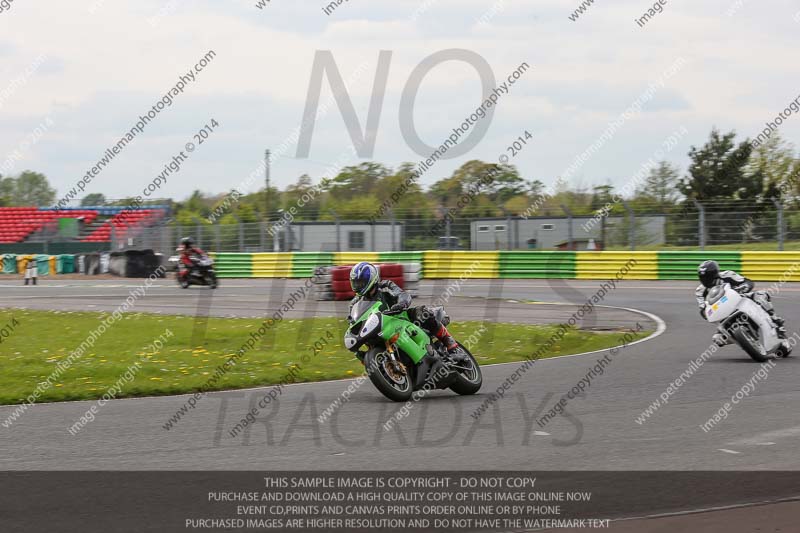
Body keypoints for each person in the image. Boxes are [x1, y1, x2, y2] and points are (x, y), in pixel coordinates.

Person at [348, 261, 460, 352]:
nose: (358, 286)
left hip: (400, 316)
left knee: (423, 312)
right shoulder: (355, 303)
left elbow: (402, 294)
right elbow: (353, 320)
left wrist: (401, 303)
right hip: (379, 330)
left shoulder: (385, 286)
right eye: (356, 283)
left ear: (371, 279)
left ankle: (448, 340)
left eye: (361, 283)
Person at [696, 260, 786, 346]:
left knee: (761, 295)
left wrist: (743, 288)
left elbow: (748, 282)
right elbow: (703, 310)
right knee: (717, 338)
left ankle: (775, 321)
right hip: (723, 314)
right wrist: (706, 312)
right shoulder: (700, 291)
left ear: (715, 274)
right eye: (703, 278)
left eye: (707, 277)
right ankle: (746, 344)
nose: (705, 280)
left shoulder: (728, 275)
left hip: (741, 301)